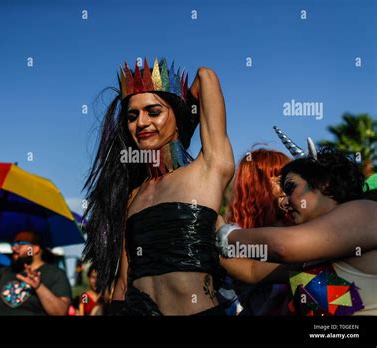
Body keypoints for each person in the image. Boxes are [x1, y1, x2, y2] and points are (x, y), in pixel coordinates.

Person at [83, 57, 235, 315]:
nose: (141, 123)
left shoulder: (207, 168)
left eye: (154, 112)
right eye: (132, 116)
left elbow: (205, 76)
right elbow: (123, 283)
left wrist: (184, 125)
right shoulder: (133, 195)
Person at [218, 136, 377, 315]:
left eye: (291, 187)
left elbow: (282, 246)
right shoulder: (313, 250)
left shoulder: (364, 211)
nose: (284, 202)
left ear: (323, 183)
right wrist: (208, 225)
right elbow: (252, 270)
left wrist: (227, 234)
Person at [220, 148, 295, 315]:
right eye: (280, 180)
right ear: (255, 187)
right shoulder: (235, 239)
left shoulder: (300, 225)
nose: (289, 188)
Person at [0, 230, 72, 315]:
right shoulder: (4, 272)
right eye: (13, 244)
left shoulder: (55, 275)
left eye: (20, 244)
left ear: (35, 249)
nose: (14, 248)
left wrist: (39, 287)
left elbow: (60, 312)